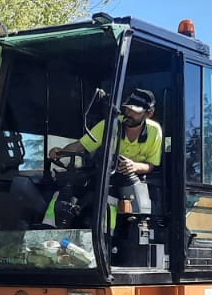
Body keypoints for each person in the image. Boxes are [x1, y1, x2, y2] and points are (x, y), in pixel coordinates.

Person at [46, 87, 162, 215]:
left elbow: (150, 165)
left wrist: (134, 166)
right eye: (127, 108)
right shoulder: (110, 125)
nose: (128, 113)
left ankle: (105, 233)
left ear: (149, 114)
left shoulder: (155, 132)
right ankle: (50, 227)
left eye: (135, 111)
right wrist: (60, 152)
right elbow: (82, 145)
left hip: (131, 184)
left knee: (110, 196)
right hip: (104, 177)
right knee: (67, 190)